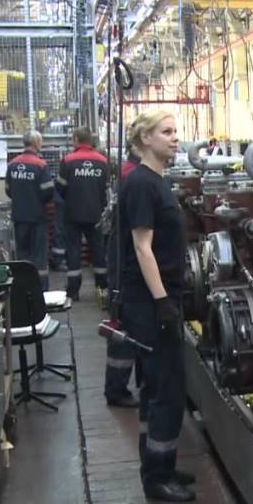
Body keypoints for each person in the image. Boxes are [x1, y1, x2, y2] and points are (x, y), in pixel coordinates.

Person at [118, 111, 195, 502]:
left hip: (160, 298)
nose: (175, 137)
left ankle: (158, 464)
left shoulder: (156, 180)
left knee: (155, 388)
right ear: (145, 138)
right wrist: (162, 301)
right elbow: (141, 246)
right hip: (150, 303)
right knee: (168, 389)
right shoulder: (141, 184)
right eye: (167, 131)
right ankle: (157, 478)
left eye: (175, 130)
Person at [102, 144, 143, 408]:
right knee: (124, 327)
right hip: (125, 265)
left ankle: (118, 386)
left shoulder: (129, 172)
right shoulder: (134, 177)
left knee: (125, 324)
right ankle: (116, 390)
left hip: (121, 259)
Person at [56, 127, 109, 301]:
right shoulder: (103, 161)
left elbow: (60, 187)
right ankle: (102, 287)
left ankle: (73, 291)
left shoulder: (68, 161)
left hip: (73, 213)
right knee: (98, 249)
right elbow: (106, 188)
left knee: (73, 250)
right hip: (96, 214)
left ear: (76, 139)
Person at [5, 130, 54, 291]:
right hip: (37, 217)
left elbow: (8, 190)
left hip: (19, 216)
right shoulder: (40, 165)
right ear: (36, 143)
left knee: (22, 255)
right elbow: (48, 191)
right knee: (39, 256)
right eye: (41, 142)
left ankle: (24, 290)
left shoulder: (12, 164)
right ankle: (41, 290)